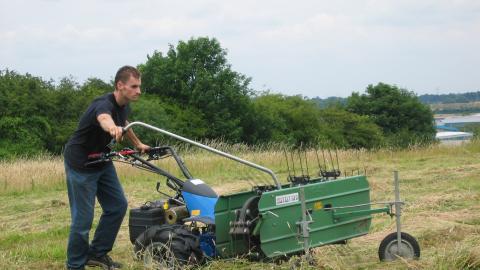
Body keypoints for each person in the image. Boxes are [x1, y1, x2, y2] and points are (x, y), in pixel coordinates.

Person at [63, 66, 150, 270]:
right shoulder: (102, 104)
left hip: (102, 160)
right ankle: (75, 265)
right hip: (81, 164)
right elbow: (105, 118)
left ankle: (97, 253)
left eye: (139, 86)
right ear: (120, 85)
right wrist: (112, 128)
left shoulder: (124, 105)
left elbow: (124, 123)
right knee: (83, 220)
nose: (139, 91)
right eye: (134, 86)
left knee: (117, 206)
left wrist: (137, 143)